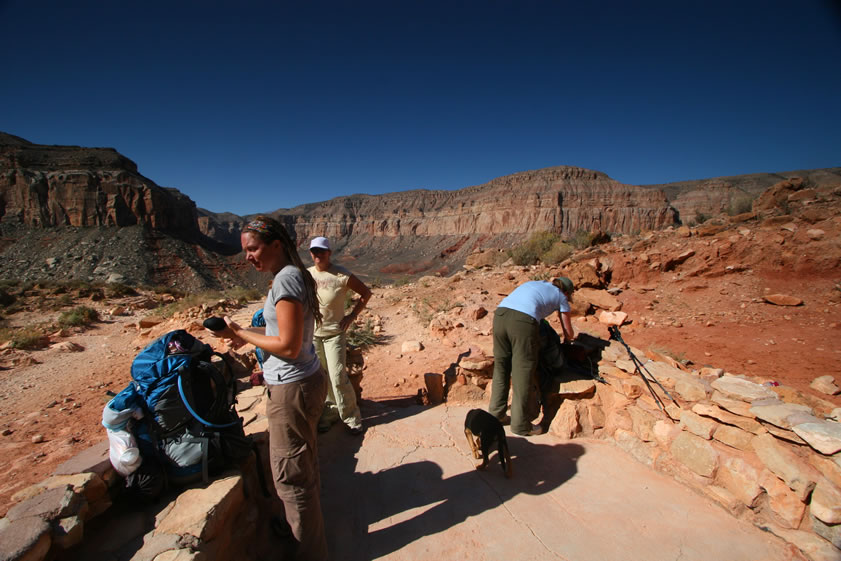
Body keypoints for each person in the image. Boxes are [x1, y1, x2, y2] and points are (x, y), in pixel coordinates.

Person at [209, 216, 328, 561]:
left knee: (291, 480)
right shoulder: (293, 275)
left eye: (253, 248)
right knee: (303, 469)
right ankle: (306, 537)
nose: (247, 256)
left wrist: (241, 334)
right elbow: (284, 336)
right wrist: (243, 333)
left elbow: (289, 346)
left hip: (292, 389)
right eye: (245, 250)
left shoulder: (287, 280)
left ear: (276, 244)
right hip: (303, 381)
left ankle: (310, 552)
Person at [488, 277, 575, 437]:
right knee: (523, 371)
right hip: (522, 321)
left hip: (500, 315)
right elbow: (568, 331)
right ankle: (521, 425)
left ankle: (496, 414)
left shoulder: (537, 284)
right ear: (567, 292)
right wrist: (570, 339)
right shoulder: (561, 297)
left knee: (502, 367)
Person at [307, 236, 371, 435]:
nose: (318, 255)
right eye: (314, 251)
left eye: (322, 251)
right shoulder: (306, 275)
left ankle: (352, 418)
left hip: (335, 334)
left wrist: (351, 316)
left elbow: (365, 293)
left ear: (329, 253)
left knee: (337, 376)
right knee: (322, 377)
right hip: (314, 335)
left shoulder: (341, 274)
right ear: (311, 253)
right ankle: (330, 414)